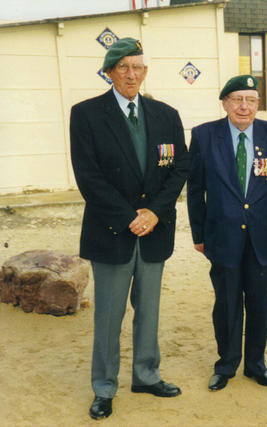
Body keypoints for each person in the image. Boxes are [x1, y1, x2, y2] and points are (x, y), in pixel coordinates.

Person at [69, 38, 188, 420]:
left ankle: (146, 375)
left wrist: (153, 212)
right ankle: (104, 387)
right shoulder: (86, 114)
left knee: (148, 311)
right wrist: (129, 217)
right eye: (123, 67)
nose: (131, 74)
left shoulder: (166, 114)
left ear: (145, 71)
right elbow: (89, 177)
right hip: (112, 231)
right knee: (109, 315)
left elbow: (179, 169)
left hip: (154, 231)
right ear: (109, 72)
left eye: (138, 66)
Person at [187, 75, 267, 392]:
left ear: (258, 103)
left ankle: (256, 365)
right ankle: (226, 364)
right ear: (225, 103)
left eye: (251, 100)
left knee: (259, 304)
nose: (244, 106)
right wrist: (199, 234)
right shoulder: (204, 136)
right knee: (227, 305)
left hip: (265, 238)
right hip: (222, 237)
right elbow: (195, 190)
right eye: (237, 99)